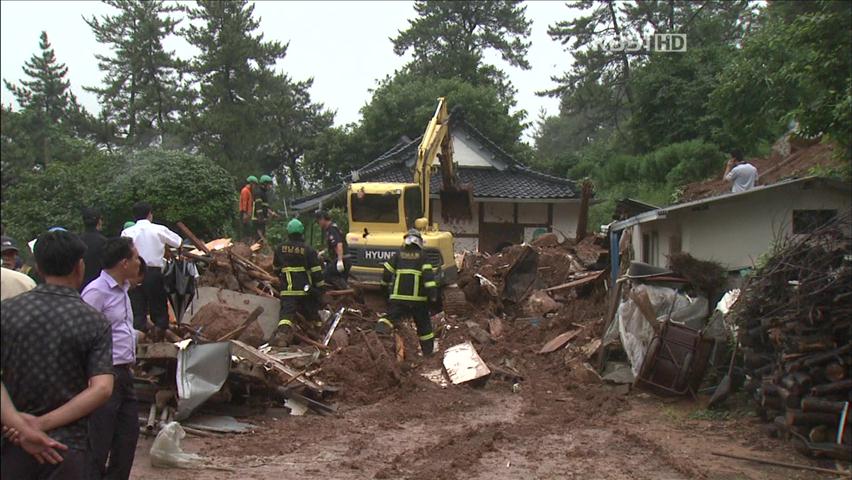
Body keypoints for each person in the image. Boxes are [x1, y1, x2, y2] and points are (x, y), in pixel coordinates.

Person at [1, 230, 114, 479]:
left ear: (38, 267)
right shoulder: (94, 321)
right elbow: (102, 389)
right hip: (66, 447)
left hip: (11, 442)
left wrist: (20, 426)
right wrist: (40, 425)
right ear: (79, 267)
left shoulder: (6, 312)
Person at [81, 237, 141, 480]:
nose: (139, 263)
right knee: (99, 441)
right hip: (104, 374)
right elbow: (83, 335)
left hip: (124, 373)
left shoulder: (124, 290)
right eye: (136, 258)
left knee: (127, 438)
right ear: (124, 262)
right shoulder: (96, 292)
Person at [121, 201, 182, 335]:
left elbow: (122, 251)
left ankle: (140, 333)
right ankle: (160, 331)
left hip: (133, 273)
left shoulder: (127, 232)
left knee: (137, 305)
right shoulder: (158, 229)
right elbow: (178, 242)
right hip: (153, 271)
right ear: (150, 214)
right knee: (158, 304)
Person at [374, 229, 438, 356]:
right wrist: (433, 296)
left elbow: (387, 271)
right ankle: (428, 354)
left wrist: (384, 288)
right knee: (424, 327)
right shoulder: (423, 256)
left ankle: (377, 338)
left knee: (389, 319)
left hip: (398, 300)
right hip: (418, 301)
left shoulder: (398, 254)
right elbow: (429, 280)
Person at [269, 219, 326, 347]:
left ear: (288, 232)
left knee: (286, 315)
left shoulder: (280, 248)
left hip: (287, 290)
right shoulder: (308, 250)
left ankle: (282, 336)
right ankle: (317, 335)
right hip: (305, 290)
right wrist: (321, 288)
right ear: (302, 233)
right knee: (312, 312)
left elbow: (276, 269)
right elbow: (316, 272)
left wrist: (282, 278)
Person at [314, 209, 350, 290]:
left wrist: (340, 260)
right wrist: (323, 252)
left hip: (342, 259)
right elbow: (333, 246)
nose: (318, 224)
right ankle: (342, 294)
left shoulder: (332, 229)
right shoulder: (331, 228)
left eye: (318, 221)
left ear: (323, 219)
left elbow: (339, 244)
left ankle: (345, 289)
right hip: (343, 258)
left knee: (325, 275)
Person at [80, 208, 107, 290]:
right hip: (100, 286)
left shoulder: (76, 241)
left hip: (80, 286)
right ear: (99, 221)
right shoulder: (104, 242)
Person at [251, 175, 277, 241]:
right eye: (269, 184)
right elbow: (258, 207)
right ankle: (256, 251)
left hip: (262, 219)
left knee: (262, 238)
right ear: (264, 184)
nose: (270, 186)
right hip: (258, 219)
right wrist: (261, 218)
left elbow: (265, 207)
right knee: (259, 239)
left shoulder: (264, 193)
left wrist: (271, 213)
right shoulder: (259, 193)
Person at [240, 176, 258, 241]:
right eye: (254, 185)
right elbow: (244, 202)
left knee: (248, 230)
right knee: (246, 229)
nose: (255, 187)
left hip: (248, 213)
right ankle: (244, 242)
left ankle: (247, 241)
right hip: (244, 213)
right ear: (251, 183)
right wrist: (245, 213)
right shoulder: (245, 191)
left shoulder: (249, 191)